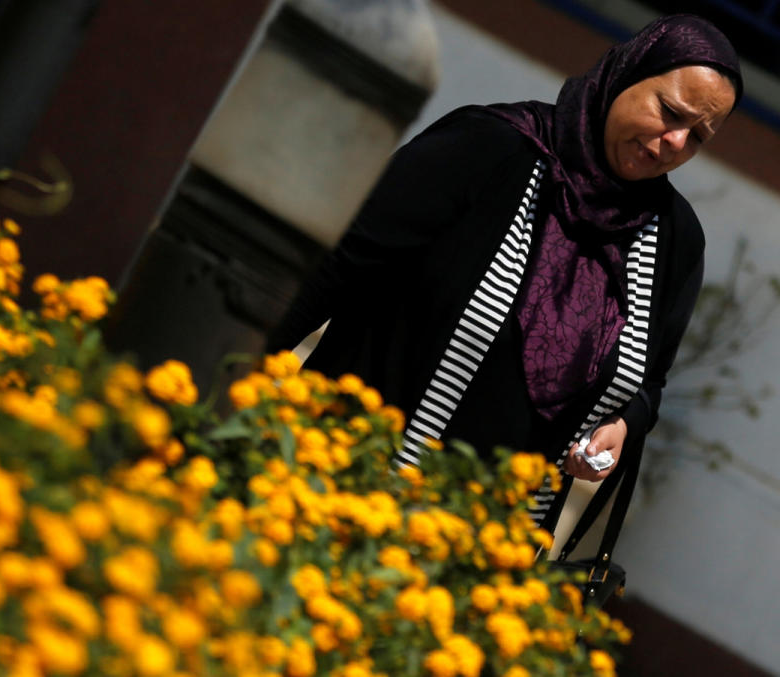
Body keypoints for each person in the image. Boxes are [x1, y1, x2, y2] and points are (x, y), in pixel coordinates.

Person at [266, 15, 742, 526]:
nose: (675, 140)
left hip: (481, 552)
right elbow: (337, 264)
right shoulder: (490, 148)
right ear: (627, 74)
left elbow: (649, 382)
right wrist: (233, 368)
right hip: (341, 483)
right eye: (670, 111)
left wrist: (624, 423)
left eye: (697, 136)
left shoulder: (672, 239)